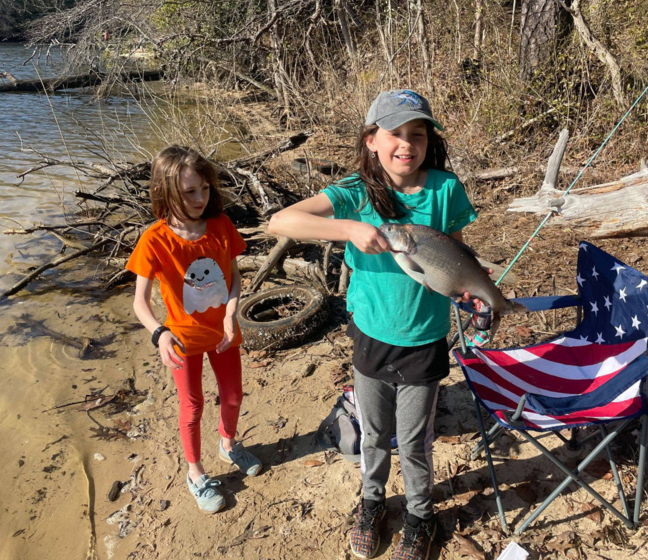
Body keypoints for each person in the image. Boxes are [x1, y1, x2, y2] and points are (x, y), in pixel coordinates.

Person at [268, 90, 478, 560]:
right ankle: (372, 501)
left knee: (416, 441)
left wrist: (470, 292)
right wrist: (349, 229)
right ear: (370, 140)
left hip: (425, 340)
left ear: (428, 142)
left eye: (417, 135)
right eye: (395, 134)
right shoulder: (354, 194)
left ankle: (422, 515)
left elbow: (458, 257)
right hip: (370, 338)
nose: (407, 144)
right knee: (374, 432)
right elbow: (280, 222)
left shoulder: (445, 189)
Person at [126, 145, 262, 514]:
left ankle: (229, 443)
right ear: (166, 192)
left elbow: (233, 277)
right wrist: (159, 333)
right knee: (192, 406)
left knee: (233, 395)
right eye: (189, 192)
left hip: (224, 333)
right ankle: (195, 472)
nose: (200, 198)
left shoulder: (220, 225)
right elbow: (140, 301)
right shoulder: (155, 239)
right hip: (182, 340)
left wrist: (231, 313)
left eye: (204, 188)